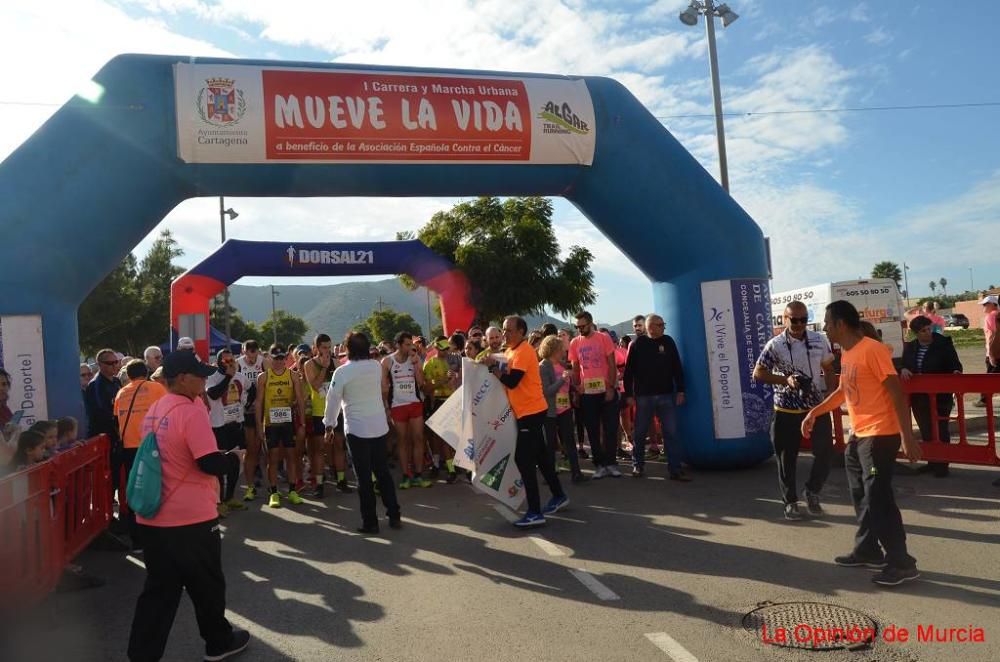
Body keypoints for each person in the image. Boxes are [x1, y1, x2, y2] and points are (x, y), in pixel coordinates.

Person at [126, 351, 249, 662]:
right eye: (199, 374)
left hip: (154, 518)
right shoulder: (190, 411)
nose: (204, 378)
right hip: (191, 519)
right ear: (181, 378)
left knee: (159, 591)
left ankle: (142, 655)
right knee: (206, 584)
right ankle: (218, 642)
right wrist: (233, 458)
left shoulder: (157, 408)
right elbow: (208, 463)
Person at [802, 300, 921, 587]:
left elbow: (896, 394)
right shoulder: (847, 352)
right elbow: (844, 391)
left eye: (828, 324)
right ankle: (868, 549)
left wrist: (908, 437)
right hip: (859, 436)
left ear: (841, 324)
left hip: (880, 436)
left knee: (878, 498)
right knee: (861, 495)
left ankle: (901, 562)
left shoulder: (874, 350)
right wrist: (813, 413)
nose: (826, 329)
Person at [480, 316, 567, 527]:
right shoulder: (510, 351)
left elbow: (512, 381)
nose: (505, 334)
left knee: (524, 459)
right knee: (540, 457)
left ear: (521, 331)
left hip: (532, 412)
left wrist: (493, 368)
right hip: (524, 412)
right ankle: (559, 495)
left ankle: (535, 511)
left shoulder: (524, 351)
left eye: (509, 330)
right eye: (503, 330)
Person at [753, 302, 837, 519]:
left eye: (803, 319)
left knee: (826, 453)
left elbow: (829, 369)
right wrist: (785, 380)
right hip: (785, 410)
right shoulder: (775, 344)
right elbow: (758, 374)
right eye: (794, 319)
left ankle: (812, 490)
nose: (799, 324)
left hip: (815, 408)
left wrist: (829, 394)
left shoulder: (820, 340)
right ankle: (790, 501)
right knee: (786, 459)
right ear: (785, 319)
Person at [324, 332, 401, 534]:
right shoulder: (375, 367)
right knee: (383, 473)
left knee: (364, 479)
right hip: (378, 427)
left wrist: (329, 425)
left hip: (357, 430)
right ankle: (394, 515)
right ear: (367, 348)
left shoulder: (341, 372)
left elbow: (332, 401)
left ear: (347, 349)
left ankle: (370, 522)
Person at [623, 314, 689, 480]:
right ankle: (638, 466)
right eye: (660, 324)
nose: (663, 327)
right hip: (644, 397)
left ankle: (675, 469)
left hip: (666, 395)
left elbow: (677, 367)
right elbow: (628, 372)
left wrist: (681, 390)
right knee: (639, 432)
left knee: (671, 432)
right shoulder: (638, 344)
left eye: (663, 324)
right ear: (650, 327)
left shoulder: (668, 341)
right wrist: (629, 395)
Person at [900, 315, 962, 478]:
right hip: (919, 397)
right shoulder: (911, 347)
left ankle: (942, 464)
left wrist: (956, 372)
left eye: (929, 328)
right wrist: (903, 369)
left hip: (941, 396)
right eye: (923, 330)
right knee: (926, 429)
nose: (928, 333)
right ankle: (931, 461)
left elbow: (955, 363)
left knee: (941, 430)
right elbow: (904, 363)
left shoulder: (943, 343)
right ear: (916, 333)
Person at [115, 359, 169, 543]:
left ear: (128, 376)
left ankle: (137, 539)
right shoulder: (157, 388)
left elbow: (117, 419)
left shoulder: (121, 392)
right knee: (157, 488)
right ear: (146, 373)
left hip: (129, 448)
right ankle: (158, 534)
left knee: (136, 490)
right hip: (152, 446)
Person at [569, 311, 621, 478]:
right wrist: (577, 390)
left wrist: (611, 387)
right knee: (592, 429)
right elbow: (576, 368)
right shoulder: (575, 342)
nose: (579, 329)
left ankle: (611, 463)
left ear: (590, 323)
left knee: (610, 428)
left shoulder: (603, 338)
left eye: (582, 326)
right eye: (577, 327)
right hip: (587, 393)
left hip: (606, 390)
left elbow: (612, 364)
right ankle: (599, 464)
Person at [254, 344, 307, 508]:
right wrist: (258, 426)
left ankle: (292, 490)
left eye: (282, 358)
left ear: (286, 358)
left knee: (291, 456)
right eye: (275, 358)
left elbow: (299, 400)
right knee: (273, 458)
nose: (279, 362)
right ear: (270, 358)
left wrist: (303, 423)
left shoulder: (292, 375)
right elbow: (259, 403)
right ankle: (274, 492)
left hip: (288, 423)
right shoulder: (263, 377)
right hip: (271, 424)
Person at [303, 334, 352, 497]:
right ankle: (319, 484)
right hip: (319, 413)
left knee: (339, 446)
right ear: (316, 348)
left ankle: (341, 480)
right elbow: (316, 386)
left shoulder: (337, 363)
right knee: (320, 449)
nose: (327, 351)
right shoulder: (309, 364)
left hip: (336, 411)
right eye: (324, 347)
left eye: (329, 347)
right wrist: (324, 367)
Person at [383, 332, 432, 490]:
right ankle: (406, 475)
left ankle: (418, 475)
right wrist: (386, 408)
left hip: (415, 403)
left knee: (418, 438)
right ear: (398, 345)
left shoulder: (414, 359)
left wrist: (417, 364)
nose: (410, 347)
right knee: (402, 440)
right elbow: (383, 387)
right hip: (397, 406)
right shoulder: (387, 361)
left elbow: (421, 382)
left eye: (411, 344)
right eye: (406, 344)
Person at [205, 350, 250, 515]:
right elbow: (213, 394)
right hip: (218, 427)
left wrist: (244, 405)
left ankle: (230, 497)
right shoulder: (212, 378)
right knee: (219, 467)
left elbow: (250, 390)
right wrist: (228, 377)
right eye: (225, 361)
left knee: (236, 462)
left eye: (231, 359)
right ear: (218, 363)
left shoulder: (240, 377)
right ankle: (218, 502)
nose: (229, 363)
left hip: (236, 425)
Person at [538, 335, 583, 482]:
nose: (564, 352)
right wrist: (562, 379)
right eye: (560, 350)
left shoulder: (564, 365)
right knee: (550, 445)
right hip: (550, 412)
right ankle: (549, 476)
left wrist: (576, 388)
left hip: (565, 409)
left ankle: (577, 473)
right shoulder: (543, 367)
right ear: (552, 350)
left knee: (569, 441)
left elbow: (567, 386)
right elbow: (547, 391)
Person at [423, 339, 459, 482]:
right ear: (436, 347)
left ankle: (452, 468)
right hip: (437, 402)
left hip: (451, 401)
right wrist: (443, 380)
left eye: (447, 348)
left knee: (448, 437)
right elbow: (426, 388)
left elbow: (454, 384)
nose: (446, 351)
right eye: (443, 349)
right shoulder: (430, 364)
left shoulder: (453, 360)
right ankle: (438, 465)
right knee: (436, 438)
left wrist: (452, 381)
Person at [236, 340, 268, 500]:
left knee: (268, 449)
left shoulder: (264, 362)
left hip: (264, 410)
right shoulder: (238, 364)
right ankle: (250, 486)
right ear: (243, 351)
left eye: (254, 351)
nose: (251, 355)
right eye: (248, 351)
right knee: (252, 449)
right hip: (247, 411)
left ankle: (271, 485)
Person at [975, 295, 1000, 407]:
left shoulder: (991, 317)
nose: (983, 307)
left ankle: (984, 399)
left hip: (995, 352)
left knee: (989, 378)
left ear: (992, 304)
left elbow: (993, 336)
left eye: (985, 304)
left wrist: (990, 354)